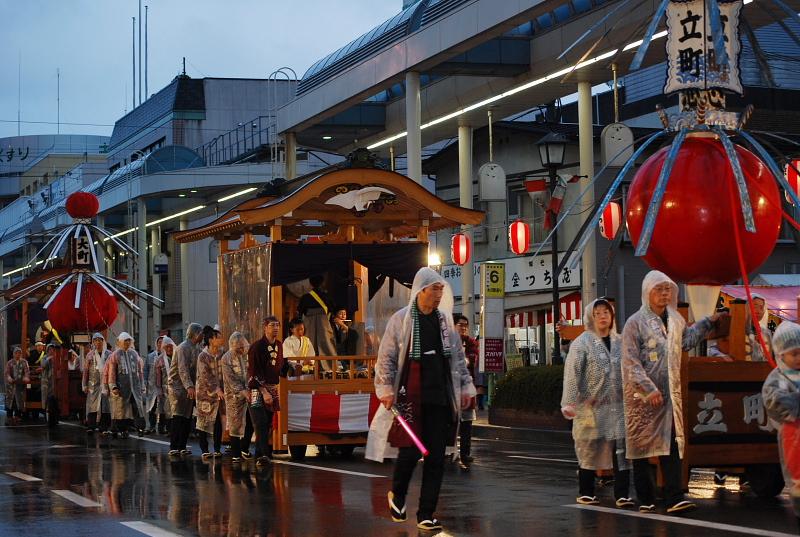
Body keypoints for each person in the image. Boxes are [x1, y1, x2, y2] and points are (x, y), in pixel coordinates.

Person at [366, 267, 476, 532]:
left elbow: (457, 359)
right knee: (411, 450)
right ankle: (398, 495)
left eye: (441, 289)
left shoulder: (444, 322)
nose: (438, 294)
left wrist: (465, 387)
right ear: (420, 290)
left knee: (436, 456)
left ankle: (426, 513)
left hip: (439, 396)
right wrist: (385, 389)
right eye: (434, 289)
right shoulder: (401, 320)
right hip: (410, 395)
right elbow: (387, 357)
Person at [621, 270, 724, 514]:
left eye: (667, 289)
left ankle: (674, 496)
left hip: (670, 397)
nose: (664, 294)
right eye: (659, 289)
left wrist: (708, 322)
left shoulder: (676, 319)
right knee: (642, 447)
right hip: (643, 399)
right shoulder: (634, 323)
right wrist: (648, 388)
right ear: (647, 292)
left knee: (672, 445)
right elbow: (630, 362)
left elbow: (687, 340)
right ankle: (646, 498)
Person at [561, 299, 633, 507]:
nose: (602, 316)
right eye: (598, 313)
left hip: (617, 405)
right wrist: (570, 402)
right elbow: (572, 374)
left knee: (621, 449)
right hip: (589, 405)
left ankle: (622, 494)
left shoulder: (620, 342)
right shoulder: (582, 343)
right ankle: (586, 491)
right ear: (590, 317)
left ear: (612, 316)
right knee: (588, 446)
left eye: (606, 312)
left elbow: (631, 370)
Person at [762, 321, 800, 531]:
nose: (798, 358)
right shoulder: (777, 378)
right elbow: (774, 401)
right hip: (792, 432)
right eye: (794, 354)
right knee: (796, 468)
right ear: (781, 354)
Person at [248, 316, 286, 467]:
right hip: (257, 390)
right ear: (265, 327)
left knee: (269, 422)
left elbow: (280, 366)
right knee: (260, 422)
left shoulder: (279, 345)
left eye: (277, 325)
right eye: (272, 325)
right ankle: (263, 454)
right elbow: (254, 371)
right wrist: (264, 392)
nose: (275, 328)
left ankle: (260, 454)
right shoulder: (257, 347)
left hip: (272, 387)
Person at [168, 323, 203, 457]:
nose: (202, 336)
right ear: (195, 334)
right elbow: (182, 369)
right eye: (200, 333)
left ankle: (182, 446)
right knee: (178, 416)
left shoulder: (196, 348)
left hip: (190, 387)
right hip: (177, 387)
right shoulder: (182, 347)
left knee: (187, 417)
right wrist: (189, 386)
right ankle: (174, 446)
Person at [221, 331, 254, 463]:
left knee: (251, 420)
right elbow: (231, 379)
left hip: (250, 393)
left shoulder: (247, 355)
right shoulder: (226, 358)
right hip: (233, 396)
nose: (241, 349)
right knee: (235, 424)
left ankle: (244, 448)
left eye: (242, 346)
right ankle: (236, 454)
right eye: (238, 347)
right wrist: (242, 391)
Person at [107, 332, 146, 438]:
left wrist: (142, 385)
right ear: (120, 342)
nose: (127, 343)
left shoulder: (134, 354)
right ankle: (122, 429)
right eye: (125, 341)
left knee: (137, 407)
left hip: (135, 387)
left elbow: (139, 371)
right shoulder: (115, 355)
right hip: (122, 387)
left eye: (129, 340)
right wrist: (113, 386)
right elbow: (112, 373)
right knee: (121, 409)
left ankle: (140, 428)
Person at [196, 326, 225, 460]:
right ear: (211, 340)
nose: (221, 340)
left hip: (220, 394)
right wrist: (216, 389)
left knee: (218, 420)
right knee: (204, 421)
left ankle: (217, 448)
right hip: (205, 394)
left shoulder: (222, 354)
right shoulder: (203, 356)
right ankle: (204, 449)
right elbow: (205, 375)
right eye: (218, 338)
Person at [453, 313, 478, 468]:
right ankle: (448, 451)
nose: (463, 328)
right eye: (460, 325)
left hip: (466, 388)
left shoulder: (470, 342)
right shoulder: (446, 341)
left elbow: (472, 358)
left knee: (467, 422)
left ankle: (465, 453)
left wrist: (464, 360)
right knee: (449, 421)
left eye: (465, 325)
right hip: (450, 387)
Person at [298, 274, 337, 358]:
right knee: (327, 345)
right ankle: (329, 364)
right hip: (324, 323)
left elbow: (300, 312)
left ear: (310, 283)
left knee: (309, 344)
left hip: (309, 323)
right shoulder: (327, 296)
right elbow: (332, 310)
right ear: (322, 283)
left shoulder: (305, 297)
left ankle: (308, 364)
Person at [83, 333, 111, 434]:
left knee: (105, 405)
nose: (98, 342)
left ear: (103, 341)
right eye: (96, 340)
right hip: (93, 384)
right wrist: (84, 384)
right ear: (93, 342)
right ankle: (91, 426)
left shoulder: (109, 354)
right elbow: (86, 371)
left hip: (105, 383)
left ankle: (104, 427)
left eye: (100, 340)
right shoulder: (90, 355)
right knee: (92, 405)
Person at [143, 335, 164, 434]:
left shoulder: (167, 356)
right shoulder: (150, 356)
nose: (161, 344)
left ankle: (162, 427)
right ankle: (152, 426)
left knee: (163, 407)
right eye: (159, 342)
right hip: (152, 386)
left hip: (163, 386)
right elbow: (145, 370)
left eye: (163, 342)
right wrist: (145, 382)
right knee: (152, 406)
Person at [155, 337, 175, 435]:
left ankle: (175, 429)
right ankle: (168, 428)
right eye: (167, 347)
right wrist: (159, 389)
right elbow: (158, 376)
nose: (169, 349)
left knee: (176, 410)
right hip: (165, 388)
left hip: (176, 388)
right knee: (165, 409)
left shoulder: (177, 357)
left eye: (171, 346)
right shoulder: (160, 359)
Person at [5, 346, 30, 426]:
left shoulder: (24, 362)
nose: (17, 354)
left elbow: (27, 372)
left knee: (19, 400)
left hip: (20, 385)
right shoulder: (10, 362)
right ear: (13, 354)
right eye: (16, 353)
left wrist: (26, 378)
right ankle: (9, 417)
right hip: (11, 386)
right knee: (10, 400)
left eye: (19, 353)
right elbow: (7, 373)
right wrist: (9, 378)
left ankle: (17, 416)